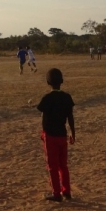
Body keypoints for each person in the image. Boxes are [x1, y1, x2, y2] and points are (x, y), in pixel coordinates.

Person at [36, 68, 75, 202]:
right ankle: (67, 191)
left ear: (48, 82)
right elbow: (70, 117)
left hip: (50, 136)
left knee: (52, 166)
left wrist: (44, 132)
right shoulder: (67, 97)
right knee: (63, 165)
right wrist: (73, 133)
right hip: (62, 135)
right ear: (62, 81)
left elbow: (43, 118)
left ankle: (56, 193)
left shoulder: (47, 99)